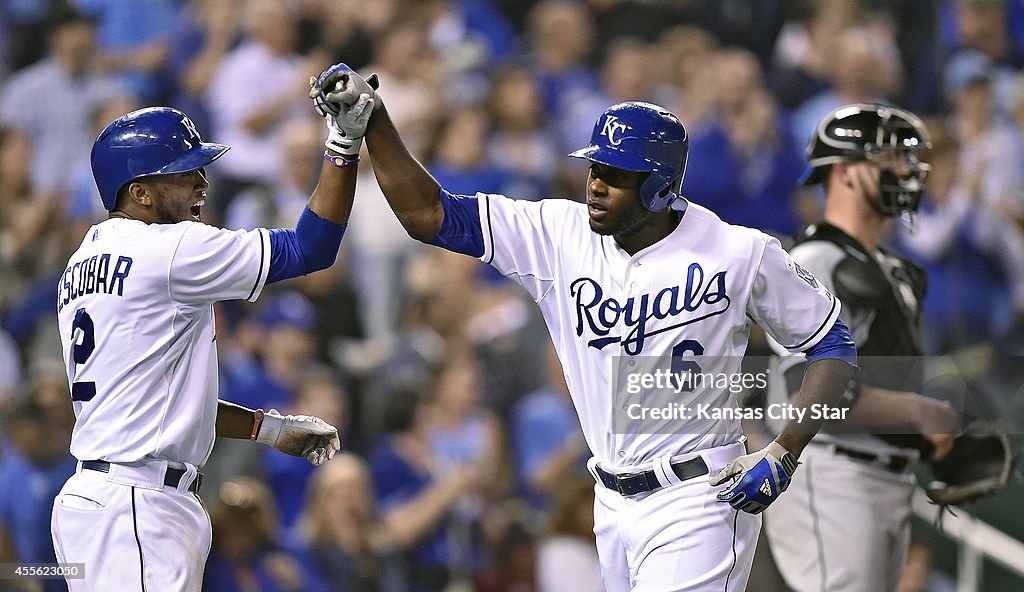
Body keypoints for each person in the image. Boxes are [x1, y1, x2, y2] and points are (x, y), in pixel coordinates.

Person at [311, 64, 858, 591]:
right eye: (594, 167)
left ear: (661, 187)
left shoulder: (739, 252)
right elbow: (428, 215)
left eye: (615, 175)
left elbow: (833, 344)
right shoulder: (558, 232)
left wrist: (786, 449)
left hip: (700, 494)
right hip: (610, 501)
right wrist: (376, 122)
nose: (595, 184)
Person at [51, 79, 375, 590]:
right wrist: (343, 143)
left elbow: (157, 401)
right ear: (140, 193)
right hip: (139, 505)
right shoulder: (169, 248)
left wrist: (268, 430)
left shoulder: (80, 264)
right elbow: (311, 250)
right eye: (183, 173)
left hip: (104, 498)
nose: (202, 182)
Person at [762, 103, 961, 592]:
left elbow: (880, 384)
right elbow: (807, 395)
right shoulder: (813, 261)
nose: (905, 172)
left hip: (881, 477)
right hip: (830, 472)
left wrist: (926, 438)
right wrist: (919, 413)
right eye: (890, 158)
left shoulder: (892, 268)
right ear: (845, 171)